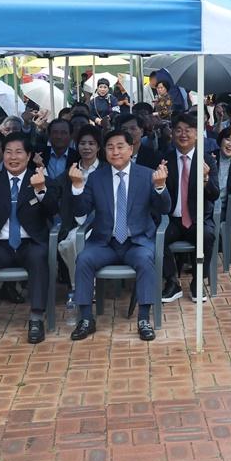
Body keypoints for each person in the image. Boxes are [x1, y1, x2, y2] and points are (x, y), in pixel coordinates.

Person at [67, 130, 168, 341]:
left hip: (136, 242)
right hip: (106, 243)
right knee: (83, 259)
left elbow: (164, 208)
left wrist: (160, 187)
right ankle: (86, 318)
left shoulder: (146, 174)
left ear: (131, 149)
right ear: (105, 152)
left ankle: (143, 318)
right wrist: (77, 187)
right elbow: (80, 211)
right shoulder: (96, 177)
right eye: (110, 147)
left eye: (120, 147)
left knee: (145, 259)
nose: (115, 151)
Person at [0, 133, 59, 345]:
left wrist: (41, 190)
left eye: (18, 152)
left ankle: (36, 318)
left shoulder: (40, 179)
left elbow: (53, 209)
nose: (13, 157)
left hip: (29, 243)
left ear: (29, 155)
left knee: (39, 256)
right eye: (8, 152)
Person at [158, 111, 219, 302]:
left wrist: (206, 179)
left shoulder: (207, 159)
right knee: (156, 238)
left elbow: (214, 195)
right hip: (173, 219)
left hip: (198, 218)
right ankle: (171, 281)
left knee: (208, 235)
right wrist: (160, 184)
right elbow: (157, 198)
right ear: (172, 133)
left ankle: (197, 281)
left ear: (197, 133)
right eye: (178, 130)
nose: (183, 134)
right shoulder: (164, 159)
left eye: (188, 130)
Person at [53, 125, 101, 292]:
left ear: (98, 147)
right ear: (76, 145)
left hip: (98, 222)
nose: (86, 147)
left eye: (91, 143)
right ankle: (81, 285)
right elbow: (54, 191)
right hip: (74, 223)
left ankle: (80, 287)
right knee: (67, 243)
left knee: (74, 241)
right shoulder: (70, 172)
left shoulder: (105, 170)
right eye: (82, 143)